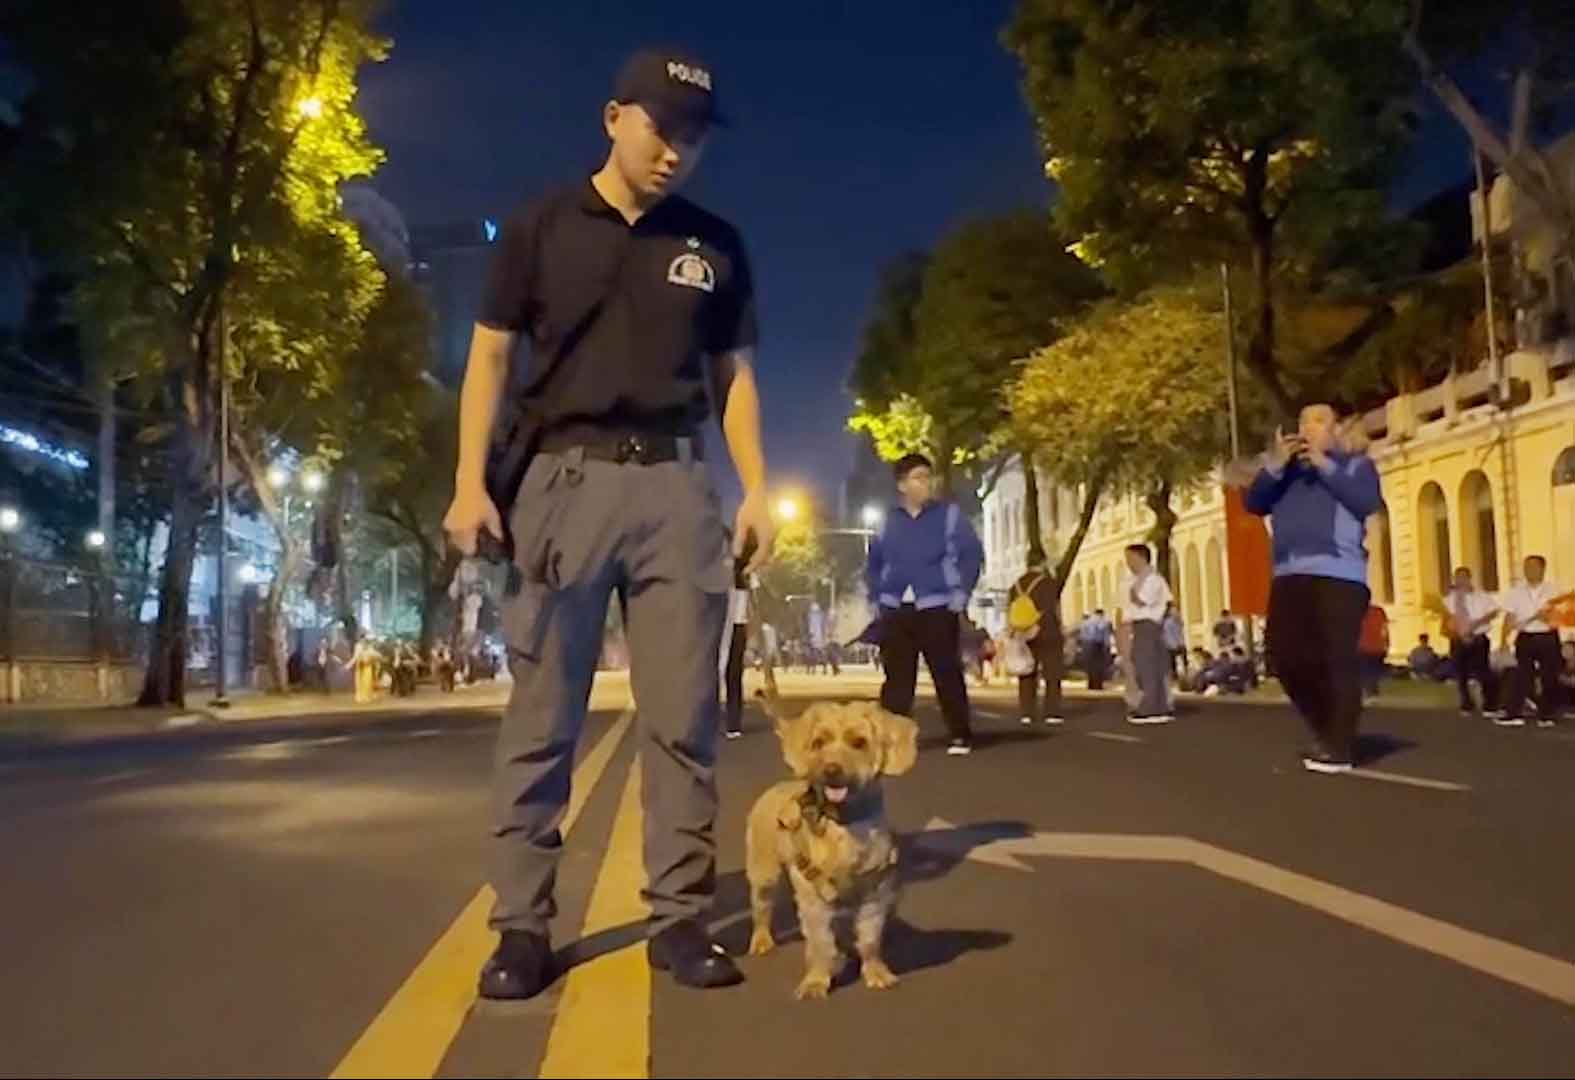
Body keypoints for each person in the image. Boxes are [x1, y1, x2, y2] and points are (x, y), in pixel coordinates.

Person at [440, 48, 773, 1000]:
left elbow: (735, 378)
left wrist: (753, 487)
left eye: (695, 136)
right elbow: (490, 364)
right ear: (613, 117)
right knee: (544, 721)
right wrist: (470, 484)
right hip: (561, 486)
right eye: (662, 126)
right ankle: (521, 929)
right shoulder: (542, 226)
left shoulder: (716, 244)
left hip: (676, 487)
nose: (676, 150)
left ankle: (678, 919)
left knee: (683, 719)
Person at [1243, 402, 1382, 773]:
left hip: (1339, 573)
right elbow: (1254, 503)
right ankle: (1329, 728)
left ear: (1335, 430)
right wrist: (1275, 463)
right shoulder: (1286, 474)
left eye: (1319, 421)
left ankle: (1339, 747)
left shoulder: (1354, 465)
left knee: (1336, 658)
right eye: (1303, 422)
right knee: (1284, 658)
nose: (1308, 429)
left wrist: (1323, 463)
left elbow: (1365, 501)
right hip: (1289, 574)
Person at [866, 453, 984, 756]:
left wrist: (960, 595)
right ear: (902, 485)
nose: (926, 484)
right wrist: (877, 595)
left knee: (946, 672)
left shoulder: (948, 516)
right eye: (918, 478)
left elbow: (971, 555)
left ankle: (960, 733)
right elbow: (874, 562)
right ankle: (892, 740)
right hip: (896, 608)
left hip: (937, 606)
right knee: (897, 680)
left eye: (928, 477)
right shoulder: (887, 521)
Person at [1501, 555, 1566, 728]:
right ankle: (1514, 713)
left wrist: (1546, 618)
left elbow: (1560, 616)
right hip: (1526, 636)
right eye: (1526, 567)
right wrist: (1504, 640)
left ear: (1542, 569)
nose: (1529, 571)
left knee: (1549, 676)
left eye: (1533, 567)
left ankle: (1547, 714)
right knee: (1522, 675)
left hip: (1547, 636)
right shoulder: (1516, 591)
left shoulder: (1554, 591)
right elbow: (1509, 616)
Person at [1115, 544, 1175, 724]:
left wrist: (1141, 578)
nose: (1128, 563)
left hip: (1148, 625)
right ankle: (1154, 706)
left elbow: (1139, 600)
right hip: (1137, 626)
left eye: (1131, 558)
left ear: (1141, 558)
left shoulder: (1152, 580)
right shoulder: (1136, 579)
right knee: (1143, 666)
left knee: (1148, 667)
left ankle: (1152, 708)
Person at [1011, 549, 1066, 726]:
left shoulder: (1016, 585)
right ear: (1043, 562)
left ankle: (1027, 712)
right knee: (1052, 672)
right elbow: (1051, 609)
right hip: (1047, 631)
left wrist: (1018, 631)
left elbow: (1012, 610)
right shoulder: (1048, 583)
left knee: (1027, 673)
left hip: (1023, 632)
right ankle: (1052, 712)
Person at [1444, 567, 1502, 719]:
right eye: (1457, 578)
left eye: (1463, 577)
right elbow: (1446, 619)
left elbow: (1494, 611)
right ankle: (1466, 703)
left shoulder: (1481, 597)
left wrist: (1476, 624)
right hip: (1458, 639)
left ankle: (1490, 703)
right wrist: (1456, 629)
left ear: (1469, 578)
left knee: (1483, 672)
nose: (1460, 581)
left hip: (1478, 637)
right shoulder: (1450, 599)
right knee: (1461, 673)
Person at [722, 563, 752, 739]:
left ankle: (733, 723)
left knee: (733, 675)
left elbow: (748, 608)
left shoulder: (741, 574)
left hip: (735, 627)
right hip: (717, 626)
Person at [1357, 603, 1389, 700]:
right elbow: (1385, 630)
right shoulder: (1378, 611)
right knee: (1373, 671)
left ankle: (1369, 692)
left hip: (1362, 648)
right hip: (1377, 647)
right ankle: (1372, 691)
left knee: (1365, 671)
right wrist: (1386, 644)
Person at [1079, 609, 1114, 690]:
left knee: (1090, 666)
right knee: (1099, 667)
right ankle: (1098, 685)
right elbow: (1106, 637)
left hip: (1086, 645)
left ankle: (1091, 684)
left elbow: (1081, 635)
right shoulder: (1105, 622)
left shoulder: (1086, 622)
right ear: (1102, 614)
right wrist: (1107, 649)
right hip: (1098, 646)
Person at [1162, 603, 1187, 679]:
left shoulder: (1179, 621)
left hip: (1180, 644)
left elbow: (1180, 633)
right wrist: (1173, 645)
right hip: (1172, 646)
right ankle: (1174, 675)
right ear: (1170, 612)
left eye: (1176, 611)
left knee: (1184, 661)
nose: (1176, 612)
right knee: (1173, 663)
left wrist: (1181, 643)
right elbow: (1168, 635)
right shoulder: (1167, 622)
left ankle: (1183, 674)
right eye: (1173, 611)